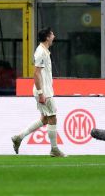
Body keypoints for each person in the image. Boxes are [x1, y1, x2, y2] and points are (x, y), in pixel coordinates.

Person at [11, 28, 66, 157]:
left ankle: (19, 137)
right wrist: (41, 93)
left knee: (45, 119)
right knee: (53, 117)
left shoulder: (44, 51)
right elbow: (36, 73)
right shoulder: (41, 52)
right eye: (52, 34)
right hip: (44, 91)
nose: (54, 36)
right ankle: (54, 149)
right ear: (47, 37)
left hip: (45, 90)